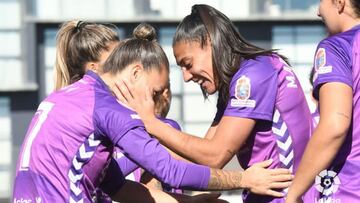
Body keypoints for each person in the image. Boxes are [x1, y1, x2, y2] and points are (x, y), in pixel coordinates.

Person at [13, 22, 293, 203]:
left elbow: (121, 189)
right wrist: (243, 179)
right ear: (136, 72)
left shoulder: (68, 96)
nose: (160, 99)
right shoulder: (110, 109)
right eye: (156, 92)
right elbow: (171, 170)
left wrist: (191, 202)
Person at [115, 4, 313, 203]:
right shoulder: (240, 80)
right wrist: (145, 147)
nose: (185, 77)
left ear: (208, 42)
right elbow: (201, 157)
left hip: (284, 196)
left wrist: (150, 123)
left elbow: (215, 156)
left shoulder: (252, 76)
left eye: (188, 64)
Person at [286, 0, 360, 202]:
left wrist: (293, 195)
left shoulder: (337, 46)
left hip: (349, 190)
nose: (319, 11)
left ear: (339, 2)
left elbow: (335, 125)